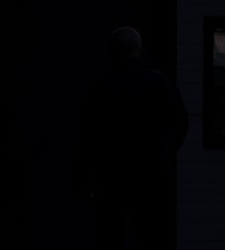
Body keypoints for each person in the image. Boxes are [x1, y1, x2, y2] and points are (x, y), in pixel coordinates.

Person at [73, 24, 188, 250]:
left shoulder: (98, 86)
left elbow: (85, 137)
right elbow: (181, 124)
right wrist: (164, 152)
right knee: (151, 236)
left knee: (109, 236)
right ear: (140, 49)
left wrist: (83, 177)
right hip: (152, 175)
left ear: (111, 51)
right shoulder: (160, 82)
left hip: (111, 177)